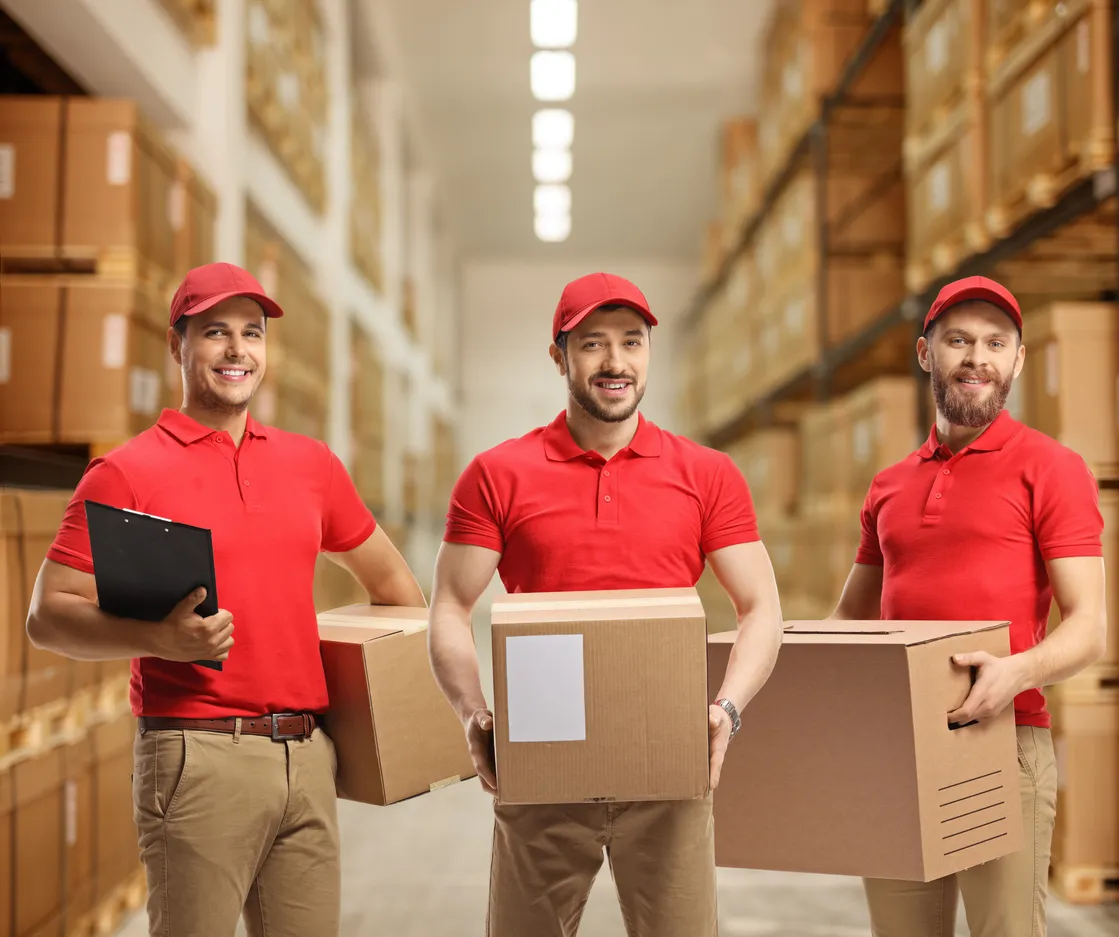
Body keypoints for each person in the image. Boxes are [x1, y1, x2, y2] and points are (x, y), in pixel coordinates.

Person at [26, 262, 427, 937]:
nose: (238, 349)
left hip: (307, 755)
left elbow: (397, 592)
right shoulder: (127, 472)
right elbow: (48, 614)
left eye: (252, 332)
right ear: (176, 344)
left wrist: (375, 712)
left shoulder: (311, 466)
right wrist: (162, 640)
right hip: (198, 755)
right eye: (216, 332)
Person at [427, 271, 784, 937]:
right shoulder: (497, 474)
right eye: (592, 343)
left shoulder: (706, 474)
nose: (615, 361)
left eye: (631, 341)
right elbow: (449, 603)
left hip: (666, 761)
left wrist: (727, 709)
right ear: (558, 355)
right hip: (543, 761)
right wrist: (472, 712)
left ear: (649, 351)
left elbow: (761, 606)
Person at [830, 275, 1108, 937]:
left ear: (1018, 359)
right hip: (897, 747)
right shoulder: (888, 485)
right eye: (957, 340)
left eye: (995, 343)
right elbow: (848, 621)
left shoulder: (1051, 467)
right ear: (926, 352)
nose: (976, 357)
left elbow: (1089, 627)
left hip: (1001, 740)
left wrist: (1015, 672)